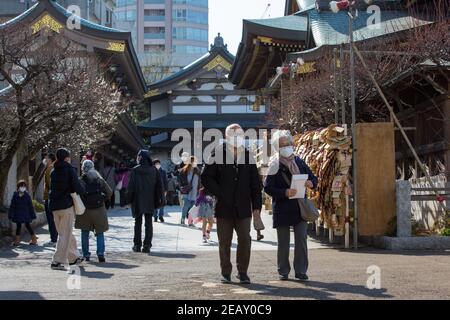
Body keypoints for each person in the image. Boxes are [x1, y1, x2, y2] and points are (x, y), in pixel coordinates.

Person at [201, 123, 262, 285]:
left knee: (244, 239)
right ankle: (225, 272)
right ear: (226, 137)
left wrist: (256, 207)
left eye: (240, 135)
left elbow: (256, 184)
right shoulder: (217, 153)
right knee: (224, 241)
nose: (237, 138)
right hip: (224, 206)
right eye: (234, 135)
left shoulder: (248, 156)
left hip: (243, 207)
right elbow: (206, 176)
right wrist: (220, 192)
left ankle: (242, 272)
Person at [264, 130, 318, 281]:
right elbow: (268, 188)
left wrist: (311, 183)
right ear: (277, 148)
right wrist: (285, 192)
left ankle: (301, 270)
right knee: (283, 242)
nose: (286, 147)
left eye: (287, 144)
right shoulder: (274, 164)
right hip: (282, 208)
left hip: (299, 207)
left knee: (301, 239)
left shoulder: (299, 162)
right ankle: (283, 270)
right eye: (282, 145)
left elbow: (314, 178)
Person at [49, 148, 85, 270]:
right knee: (65, 234)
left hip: (54, 206)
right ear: (66, 158)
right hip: (66, 206)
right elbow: (77, 187)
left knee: (65, 232)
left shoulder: (53, 171)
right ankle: (56, 261)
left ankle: (74, 257)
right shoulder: (70, 170)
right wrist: (83, 191)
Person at [76, 160, 112, 263]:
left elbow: (76, 194)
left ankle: (86, 254)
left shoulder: (81, 180)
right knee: (100, 232)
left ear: (83, 168)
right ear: (93, 167)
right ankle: (100, 254)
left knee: (85, 232)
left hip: (85, 210)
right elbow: (109, 192)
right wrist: (102, 199)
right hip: (99, 209)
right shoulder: (99, 179)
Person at [127, 150, 163, 253]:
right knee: (148, 223)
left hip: (137, 199)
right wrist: (160, 198)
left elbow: (131, 187)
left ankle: (137, 245)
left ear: (141, 158)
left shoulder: (135, 170)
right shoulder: (154, 170)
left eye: (138, 157)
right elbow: (159, 186)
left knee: (137, 222)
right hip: (150, 199)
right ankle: (147, 245)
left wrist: (129, 199)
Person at [8, 180, 37, 246]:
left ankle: (33, 239)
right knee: (19, 226)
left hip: (25, 214)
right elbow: (12, 206)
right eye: (21, 186)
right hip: (18, 214)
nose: (23, 187)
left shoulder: (27, 196)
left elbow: (30, 206)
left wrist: (33, 215)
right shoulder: (15, 195)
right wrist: (10, 215)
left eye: (24, 186)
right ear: (18, 187)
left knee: (27, 225)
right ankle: (18, 241)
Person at [178, 156, 201, 226]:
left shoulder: (197, 170)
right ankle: (182, 219)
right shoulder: (184, 170)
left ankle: (190, 221)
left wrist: (199, 189)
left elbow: (200, 180)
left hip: (195, 191)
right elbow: (180, 180)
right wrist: (182, 186)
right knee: (186, 205)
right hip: (187, 191)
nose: (195, 163)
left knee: (192, 207)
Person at [43, 153, 58, 246]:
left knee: (51, 219)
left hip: (49, 197)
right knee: (55, 219)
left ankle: (53, 239)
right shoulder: (56, 167)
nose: (45, 159)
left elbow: (49, 184)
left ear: (50, 159)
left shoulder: (50, 169)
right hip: (55, 197)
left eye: (46, 158)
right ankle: (55, 238)